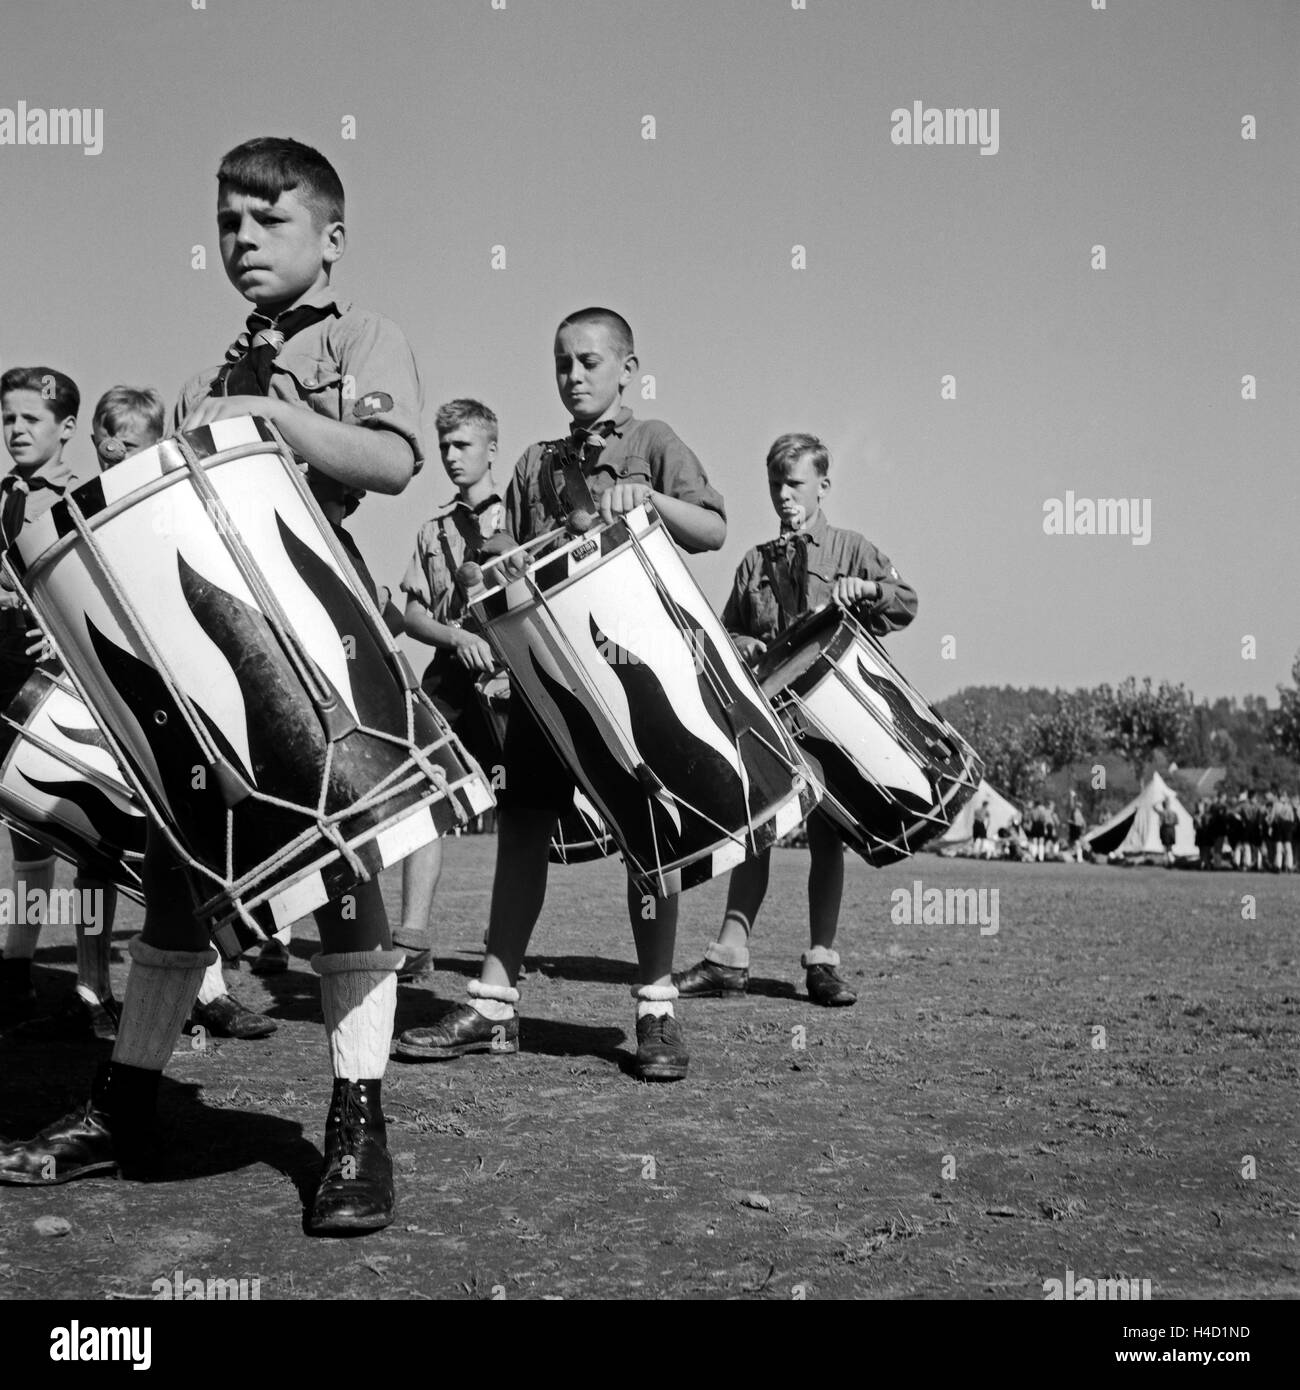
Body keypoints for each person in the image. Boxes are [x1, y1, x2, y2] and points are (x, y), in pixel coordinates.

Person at [0, 138, 423, 1236]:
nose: (240, 240)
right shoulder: (206, 371)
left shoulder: (361, 339)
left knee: (339, 882)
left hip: (310, 649)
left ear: (330, 239)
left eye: (266, 221)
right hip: (201, 655)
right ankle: (128, 1103)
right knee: (188, 871)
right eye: (228, 222)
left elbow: (390, 461)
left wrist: (278, 421)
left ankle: (357, 1124)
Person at [395, 307, 726, 1081]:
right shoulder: (535, 465)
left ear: (627, 368)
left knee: (651, 840)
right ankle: (494, 1003)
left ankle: (655, 1009)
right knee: (522, 827)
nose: (572, 375)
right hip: (548, 680)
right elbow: (513, 559)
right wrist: (490, 574)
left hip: (635, 680)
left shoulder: (654, 443)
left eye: (587, 361)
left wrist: (648, 504)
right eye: (560, 364)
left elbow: (711, 526)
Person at [672, 432, 917, 1008]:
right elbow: (722, 633)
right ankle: (729, 958)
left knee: (828, 841)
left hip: (833, 724)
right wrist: (742, 641)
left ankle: (822, 964)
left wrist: (871, 590)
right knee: (755, 832)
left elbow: (906, 602)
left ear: (823, 486)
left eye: (796, 483)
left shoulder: (854, 549)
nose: (785, 495)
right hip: (770, 720)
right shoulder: (753, 561)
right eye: (776, 484)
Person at [92, 387, 275, 1042]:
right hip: (108, 698)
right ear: (103, 443)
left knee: (188, 841)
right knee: (103, 853)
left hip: (170, 703)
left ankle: (212, 988)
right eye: (128, 447)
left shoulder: (168, 512)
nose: (139, 460)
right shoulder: (81, 525)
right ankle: (92, 990)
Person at [0, 367, 119, 1040]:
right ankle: (16, 971)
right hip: (13, 689)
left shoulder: (85, 498)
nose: (15, 430)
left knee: (93, 840)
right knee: (27, 834)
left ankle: (91, 983)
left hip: (82, 686)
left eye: (30, 420)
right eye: (7, 419)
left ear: (66, 428)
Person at [392, 399, 505, 983]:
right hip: (449, 678)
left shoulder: (521, 520)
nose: (452, 457)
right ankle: (411, 938)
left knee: (521, 811)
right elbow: (411, 614)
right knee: (423, 798)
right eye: (445, 447)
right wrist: (456, 636)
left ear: (492, 447)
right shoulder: (432, 531)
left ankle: (504, 941)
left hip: (517, 680)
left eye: (463, 445)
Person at [1158, 796, 1179, 867]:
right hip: (1172, 830)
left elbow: (1160, 823)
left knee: (1165, 847)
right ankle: (1170, 861)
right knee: (1170, 846)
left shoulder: (1162, 813)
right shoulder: (1174, 813)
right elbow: (1177, 822)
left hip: (1165, 830)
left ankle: (1170, 861)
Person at [1067, 792, 1086, 863]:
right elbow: (1072, 805)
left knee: (1077, 843)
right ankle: (1076, 858)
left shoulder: (1078, 812)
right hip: (1075, 828)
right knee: (1072, 843)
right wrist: (1072, 797)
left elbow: (1083, 823)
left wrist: (1083, 829)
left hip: (1076, 828)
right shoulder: (1076, 811)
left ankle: (1079, 858)